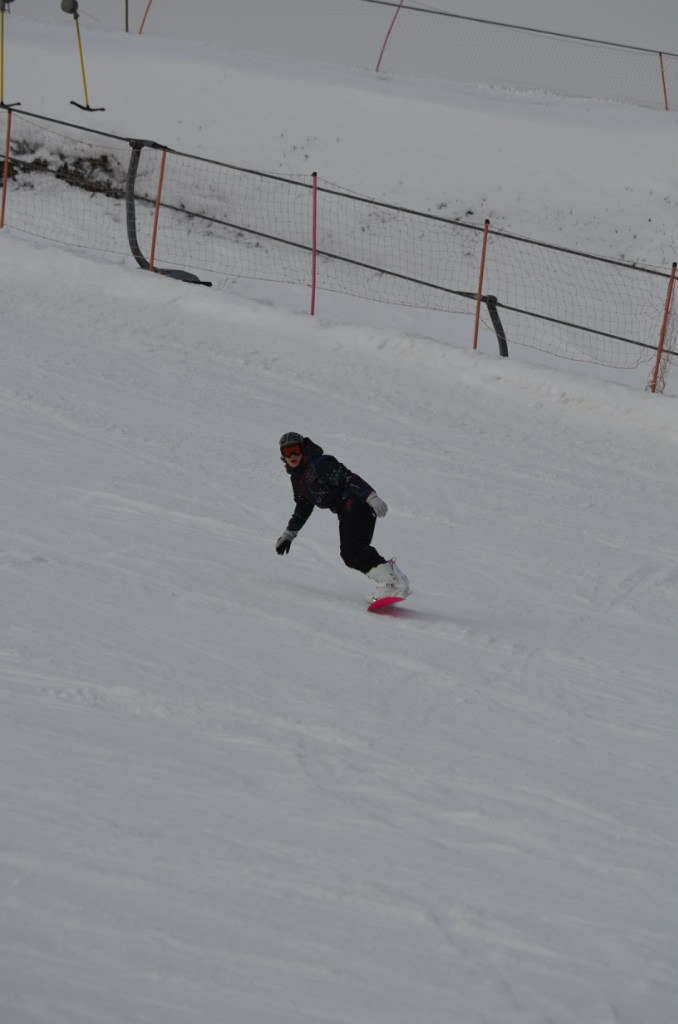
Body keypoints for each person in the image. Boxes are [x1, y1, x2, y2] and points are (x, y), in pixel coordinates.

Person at [275, 432, 410, 602]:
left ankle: (390, 582)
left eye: (295, 449)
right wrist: (290, 533)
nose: (292, 456)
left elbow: (348, 478)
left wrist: (370, 496)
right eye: (287, 452)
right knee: (353, 552)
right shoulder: (298, 479)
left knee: (352, 552)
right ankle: (393, 579)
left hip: (356, 504)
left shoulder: (320, 464)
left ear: (303, 448)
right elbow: (303, 506)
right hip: (348, 510)